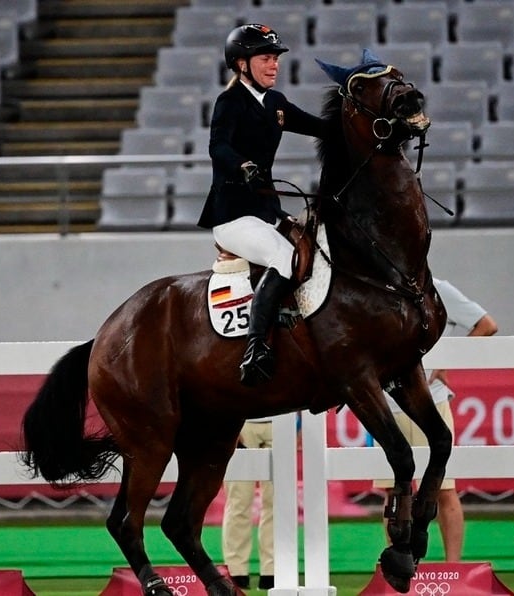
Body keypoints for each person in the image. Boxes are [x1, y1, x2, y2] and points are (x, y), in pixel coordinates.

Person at [197, 23, 326, 387]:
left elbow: (320, 128)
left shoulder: (275, 103)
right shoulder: (229, 102)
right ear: (242, 64)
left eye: (275, 59)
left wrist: (366, 125)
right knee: (284, 257)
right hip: (233, 215)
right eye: (266, 58)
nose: (274, 66)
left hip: (265, 211)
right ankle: (256, 348)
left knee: (313, 248)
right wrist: (243, 165)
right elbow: (217, 147)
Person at [374, 278, 498, 562]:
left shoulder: (439, 288)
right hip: (385, 404)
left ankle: (454, 569)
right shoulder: (377, 286)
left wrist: (447, 363)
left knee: (443, 490)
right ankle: (400, 564)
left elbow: (487, 324)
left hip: (432, 401)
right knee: (395, 493)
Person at [222, 418, 276, 591]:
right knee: (239, 501)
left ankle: (273, 570)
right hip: (243, 422)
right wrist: (231, 425)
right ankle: (236, 571)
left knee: (278, 502)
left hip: (282, 423)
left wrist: (297, 424)